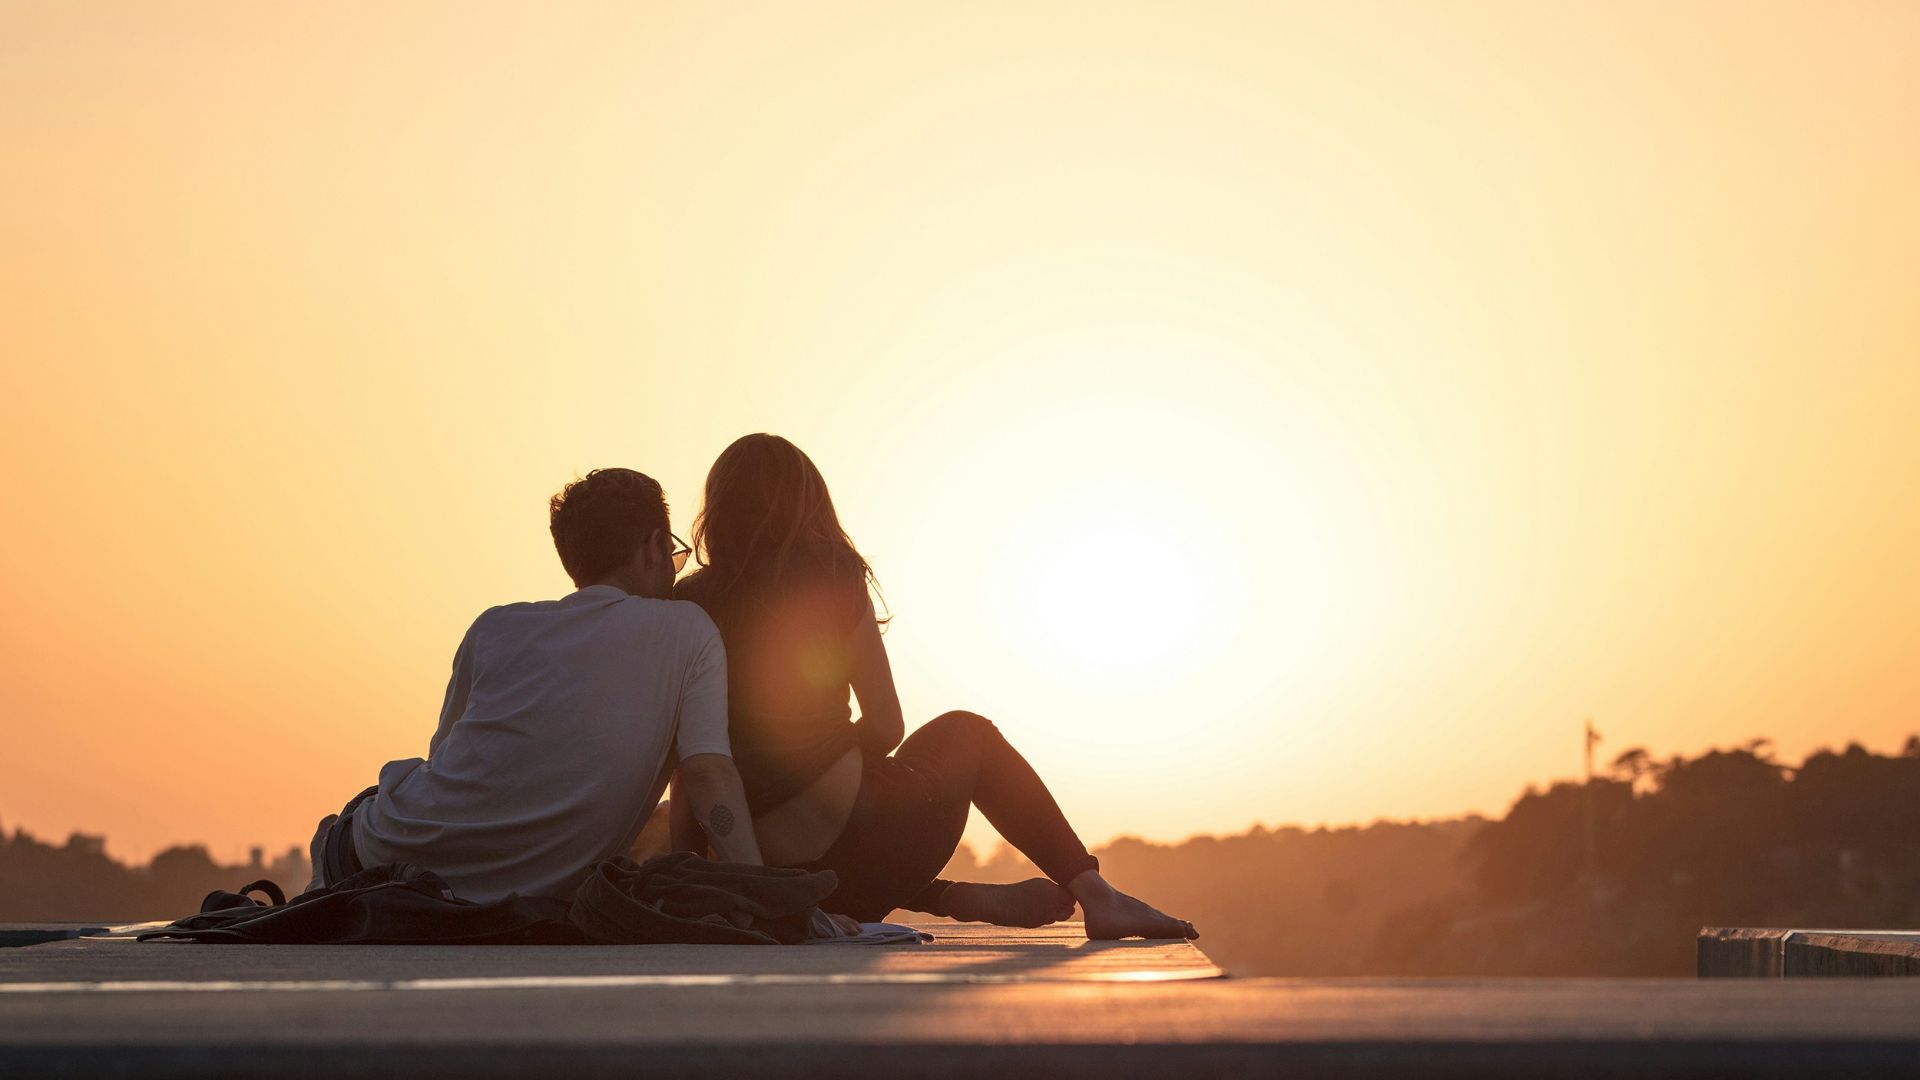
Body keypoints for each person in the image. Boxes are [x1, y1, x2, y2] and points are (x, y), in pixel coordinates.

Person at [672, 434, 1196, 939]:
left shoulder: (688, 603)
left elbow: (688, 765)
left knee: (828, 844)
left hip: (773, 875)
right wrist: (828, 759)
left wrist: (703, 876)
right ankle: (1097, 897)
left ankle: (943, 896)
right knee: (968, 733)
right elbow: (886, 724)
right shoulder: (832, 575)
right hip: (864, 845)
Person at [305, 468, 775, 908]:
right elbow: (708, 775)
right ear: (653, 545)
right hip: (501, 893)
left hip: (381, 858)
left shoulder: (495, 627)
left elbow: (453, 765)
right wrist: (769, 901)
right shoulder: (688, 631)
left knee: (380, 800)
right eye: (673, 553)